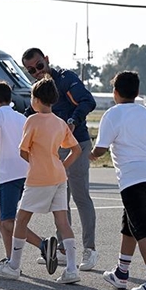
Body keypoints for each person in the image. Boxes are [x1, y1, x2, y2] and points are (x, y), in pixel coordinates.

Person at [0, 76, 82, 284]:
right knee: (62, 221)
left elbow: (23, 151)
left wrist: (34, 160)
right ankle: (71, 268)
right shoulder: (60, 123)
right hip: (59, 176)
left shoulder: (32, 120)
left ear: (37, 99)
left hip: (38, 177)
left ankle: (13, 265)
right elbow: (75, 150)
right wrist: (62, 165)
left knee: (21, 220)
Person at [91, 71, 146, 290]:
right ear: (137, 93)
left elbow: (100, 149)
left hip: (132, 178)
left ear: (115, 92)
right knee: (129, 224)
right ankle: (121, 272)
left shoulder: (112, 114)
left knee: (141, 226)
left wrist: (87, 155)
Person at [21, 48, 99, 271]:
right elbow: (30, 113)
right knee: (60, 202)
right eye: (31, 70)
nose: (36, 71)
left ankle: (90, 249)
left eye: (39, 65)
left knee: (81, 196)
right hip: (55, 150)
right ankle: (64, 249)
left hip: (77, 144)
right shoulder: (38, 90)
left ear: (46, 60)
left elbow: (88, 101)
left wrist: (74, 119)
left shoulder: (66, 79)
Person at [0, 81, 56, 271]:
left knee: (8, 221)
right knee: (1, 215)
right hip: (25, 171)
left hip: (9, 173)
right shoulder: (21, 117)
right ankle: (11, 259)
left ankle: (43, 245)